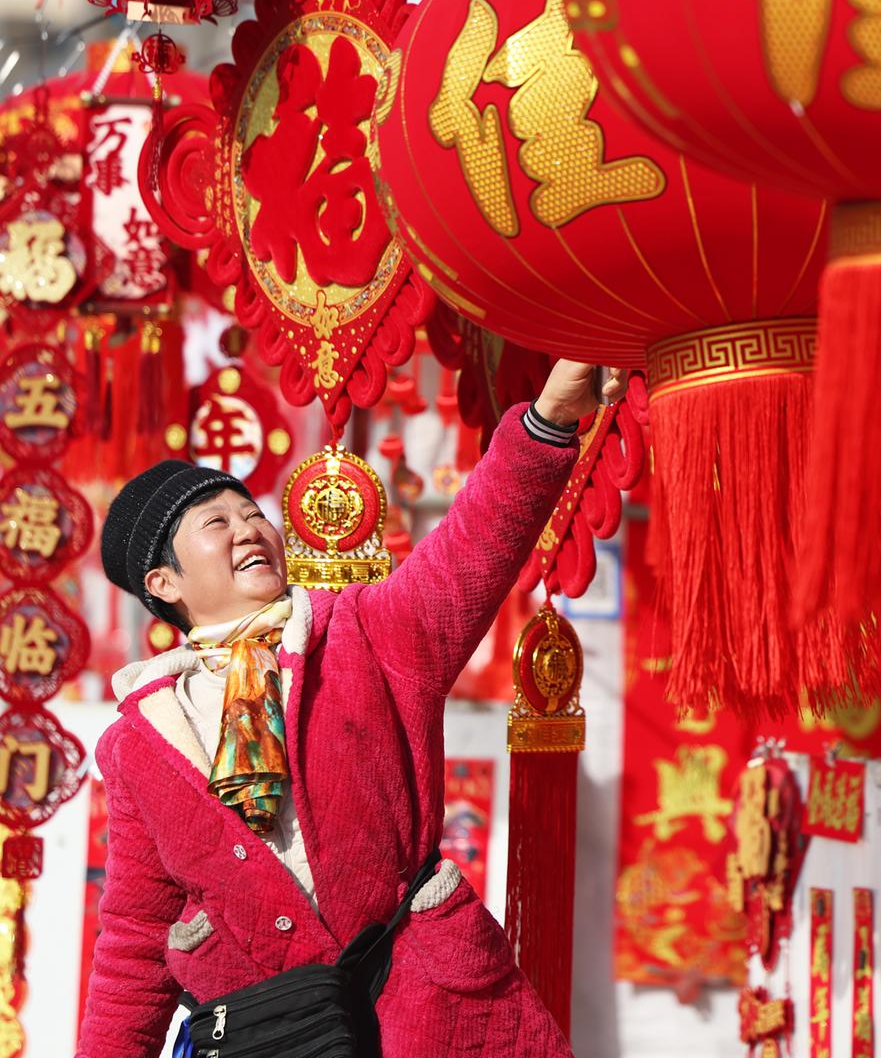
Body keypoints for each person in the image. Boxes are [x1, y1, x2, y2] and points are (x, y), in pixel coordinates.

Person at [77, 360, 623, 1058]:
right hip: (271, 1030)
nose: (248, 528)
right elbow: (133, 936)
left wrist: (546, 421)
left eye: (252, 513)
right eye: (217, 523)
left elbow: (470, 550)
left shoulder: (367, 632)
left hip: (428, 1009)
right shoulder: (140, 742)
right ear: (163, 582)